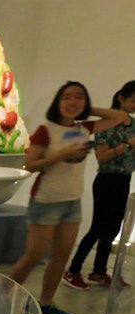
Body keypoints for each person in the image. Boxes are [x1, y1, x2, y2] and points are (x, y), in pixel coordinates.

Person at [7, 81, 132, 314]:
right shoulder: (47, 130)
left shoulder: (85, 127)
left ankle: (46, 302)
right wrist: (64, 154)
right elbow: (29, 165)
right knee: (34, 255)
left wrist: (85, 108)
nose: (72, 101)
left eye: (78, 97)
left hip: (71, 202)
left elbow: (120, 116)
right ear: (57, 102)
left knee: (61, 256)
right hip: (46, 201)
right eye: (66, 97)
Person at [63, 80, 135, 290]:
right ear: (121, 98)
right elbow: (102, 157)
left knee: (113, 229)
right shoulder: (107, 123)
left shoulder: (132, 123)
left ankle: (99, 272)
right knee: (98, 227)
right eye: (132, 100)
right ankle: (73, 270)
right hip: (106, 180)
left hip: (124, 180)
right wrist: (127, 145)